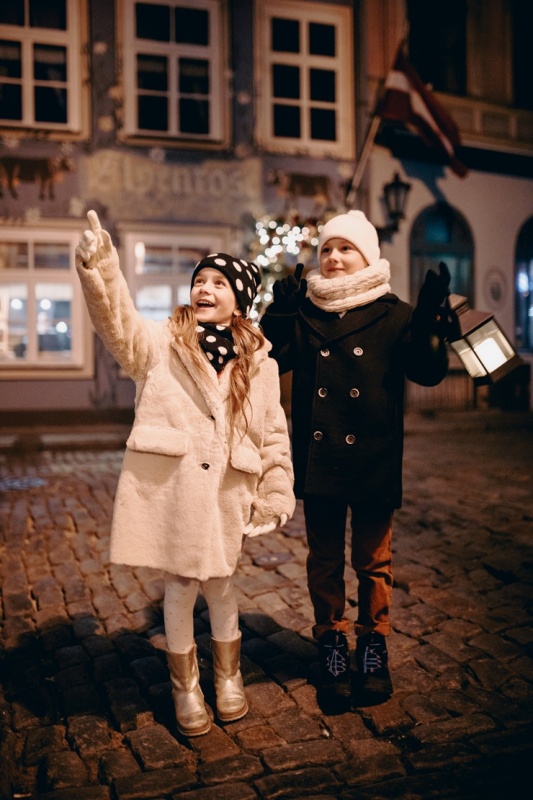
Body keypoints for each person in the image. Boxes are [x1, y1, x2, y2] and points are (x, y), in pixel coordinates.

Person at [75, 211, 295, 736]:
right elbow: (119, 323)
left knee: (220, 585)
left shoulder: (260, 363)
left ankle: (229, 677)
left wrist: (275, 490)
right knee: (179, 586)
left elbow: (272, 433)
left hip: (226, 493)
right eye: (199, 281)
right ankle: (186, 686)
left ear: (239, 300)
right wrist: (102, 265)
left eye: (219, 283)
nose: (205, 289)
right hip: (175, 490)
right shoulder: (163, 346)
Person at [261, 209, 449, 705]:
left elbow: (428, 373)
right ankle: (331, 640)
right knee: (323, 559)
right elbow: (266, 360)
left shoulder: (396, 313)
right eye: (326, 249)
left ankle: (373, 643)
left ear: (366, 255)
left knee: (373, 561)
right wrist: (277, 314)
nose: (334, 257)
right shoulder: (304, 313)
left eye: (345, 248)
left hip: (374, 456)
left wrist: (431, 324)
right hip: (320, 458)